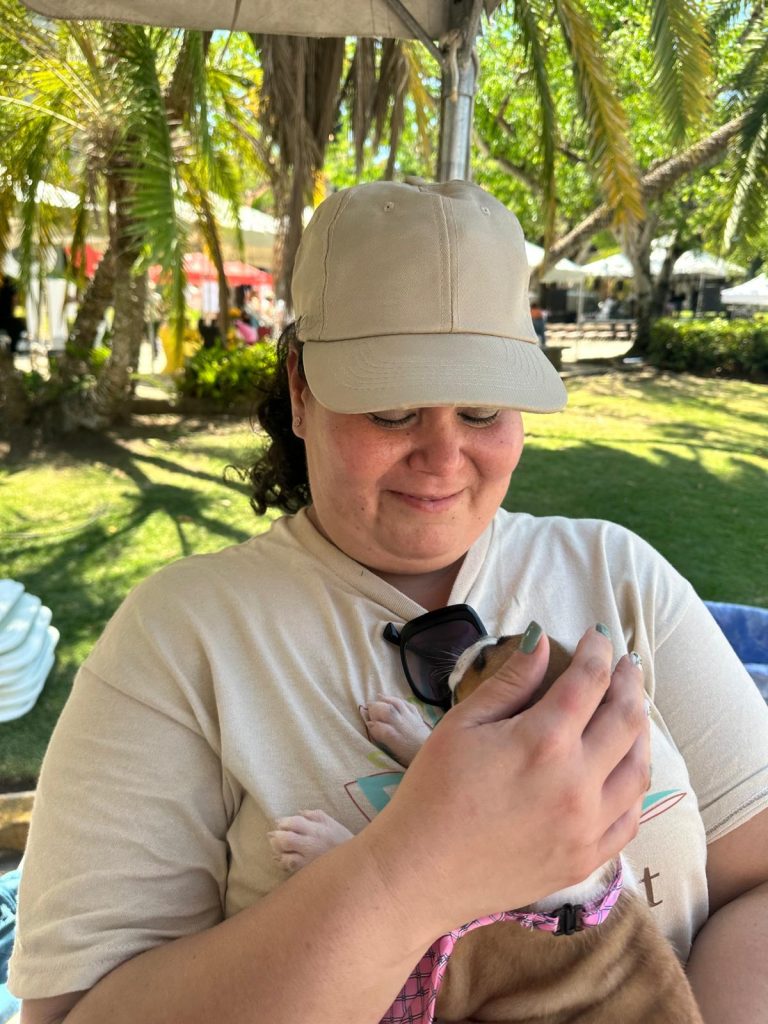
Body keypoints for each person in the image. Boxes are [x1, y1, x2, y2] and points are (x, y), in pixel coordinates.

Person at [8, 180, 768, 1024]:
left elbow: (758, 881)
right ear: (300, 392)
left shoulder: (617, 572)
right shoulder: (181, 638)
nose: (443, 456)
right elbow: (70, 1013)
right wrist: (414, 871)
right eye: (393, 410)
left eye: (481, 408)